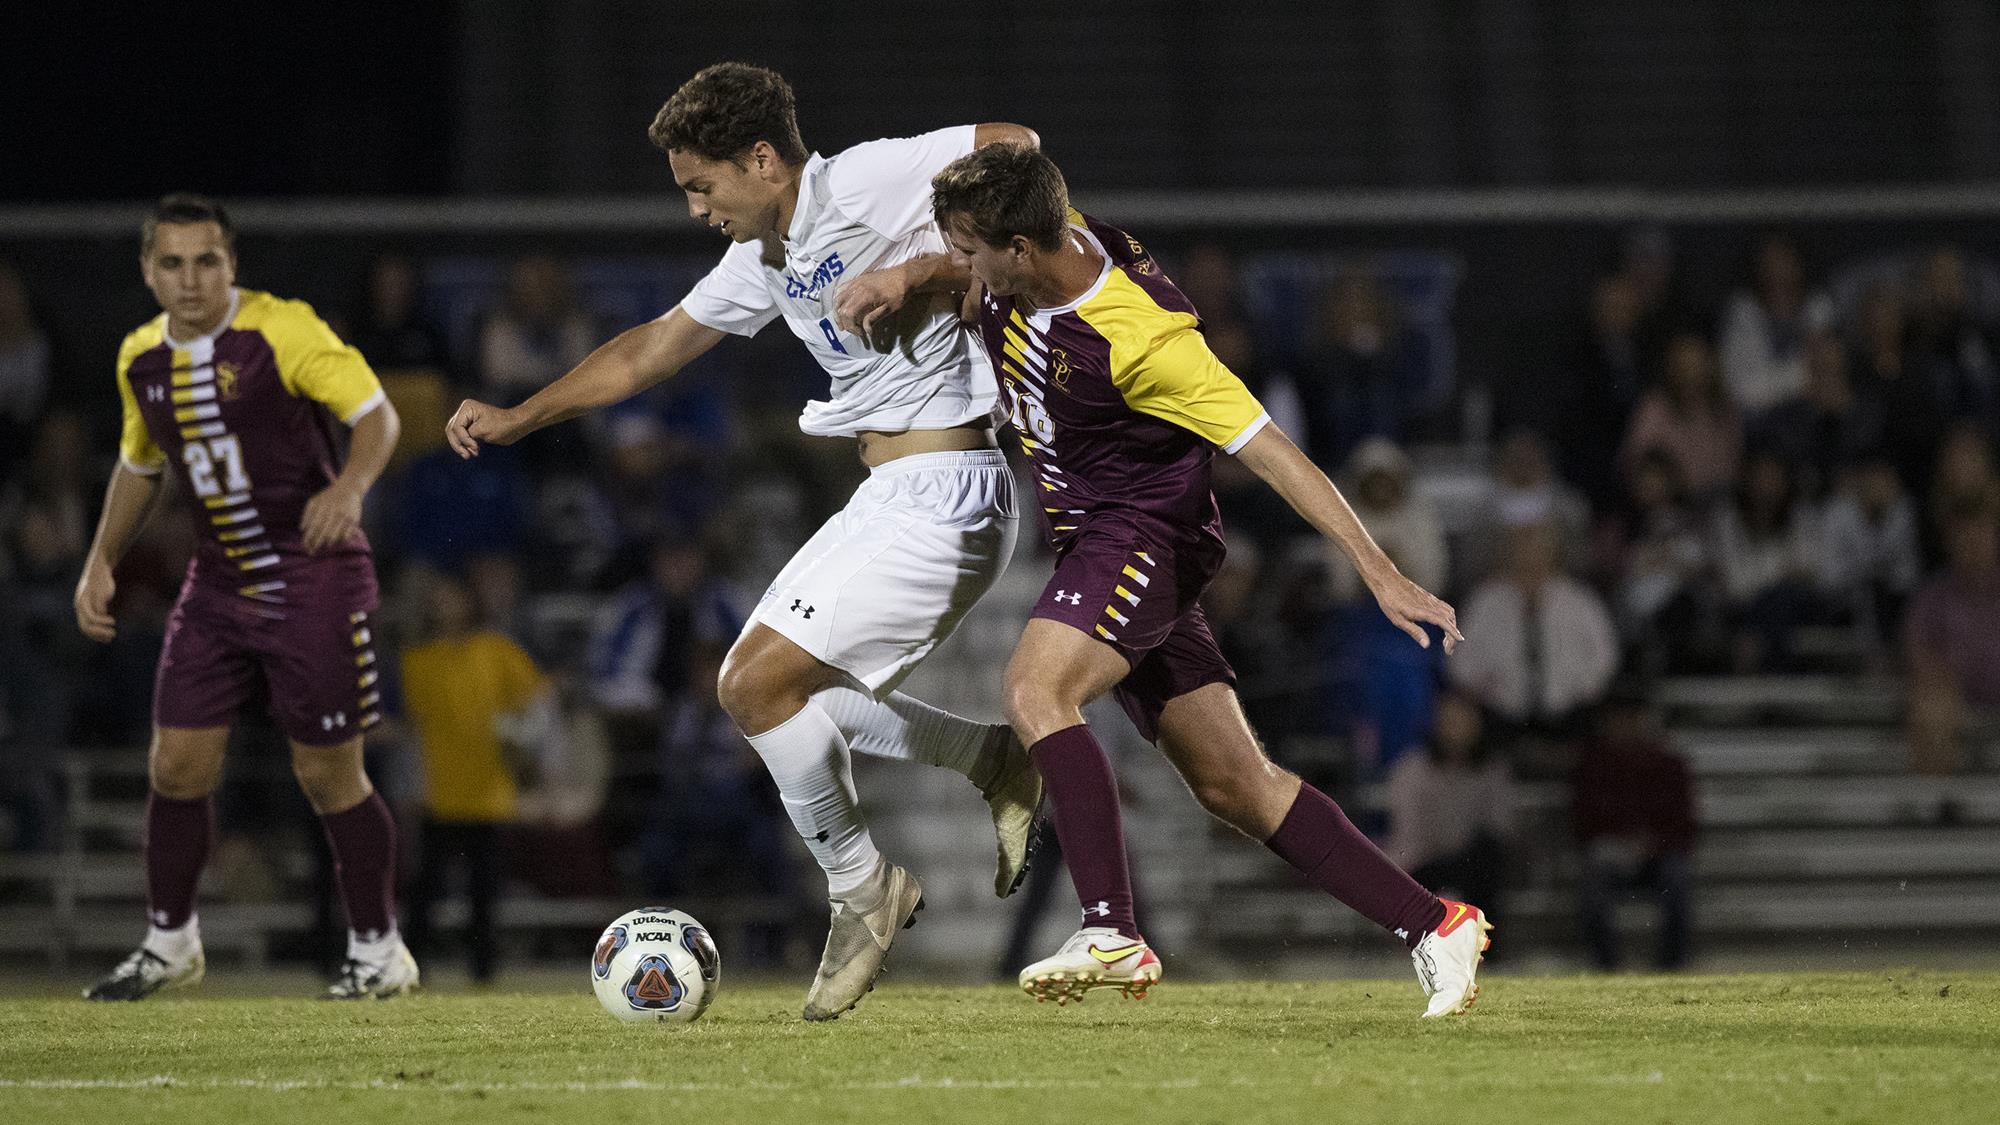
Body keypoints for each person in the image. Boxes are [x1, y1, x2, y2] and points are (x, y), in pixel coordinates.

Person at [444, 63, 1042, 1021]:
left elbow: (1017, 142)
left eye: (701, 184)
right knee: (778, 699)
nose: (694, 209)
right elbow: (646, 349)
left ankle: (865, 889)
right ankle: (993, 760)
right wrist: (521, 415)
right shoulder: (760, 258)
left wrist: (922, 268)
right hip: (893, 491)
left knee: (753, 686)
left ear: (763, 159)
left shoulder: (866, 180)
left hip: (953, 488)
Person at [918, 142, 1487, 1019]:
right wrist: (912, 282)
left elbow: (1274, 453)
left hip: (1140, 539)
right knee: (1236, 787)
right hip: (1102, 549)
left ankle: (1109, 928)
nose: (958, 265)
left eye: (967, 249)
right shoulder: (1039, 245)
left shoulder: (1148, 339)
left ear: (1022, 249)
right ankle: (1434, 922)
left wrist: (1379, 568)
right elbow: (1010, 169)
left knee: (1034, 689)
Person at [74, 194, 413, 1000]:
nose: (191, 280)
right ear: (148, 272)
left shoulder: (283, 330)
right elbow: (140, 464)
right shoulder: (138, 359)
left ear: (232, 265)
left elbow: (377, 416)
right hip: (218, 581)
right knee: (177, 763)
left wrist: (353, 487)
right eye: (173, 263)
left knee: (328, 774)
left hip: (313, 575)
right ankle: (170, 942)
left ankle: (379, 950)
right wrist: (99, 561)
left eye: (207, 261)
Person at [398, 568, 549, 984]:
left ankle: (483, 974)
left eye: (452, 596)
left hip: (489, 795)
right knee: (424, 892)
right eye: (438, 598)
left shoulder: (497, 652)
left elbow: (537, 704)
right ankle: (413, 971)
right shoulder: (418, 659)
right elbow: (411, 730)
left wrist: (522, 740)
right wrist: (410, 786)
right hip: (438, 794)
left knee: (484, 894)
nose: (444, 606)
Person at [1572, 690, 1697, 971]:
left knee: (1677, 875)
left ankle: (1673, 965)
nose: (1626, 727)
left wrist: (1653, 844)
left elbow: (1684, 825)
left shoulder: (1668, 765)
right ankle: (1606, 966)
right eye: (1619, 719)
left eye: (1632, 719)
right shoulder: (1593, 766)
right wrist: (1616, 843)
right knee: (1594, 879)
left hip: (1658, 855)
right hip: (1610, 855)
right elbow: (1582, 822)